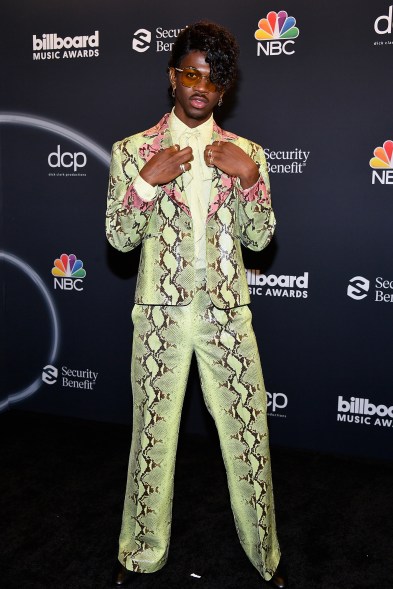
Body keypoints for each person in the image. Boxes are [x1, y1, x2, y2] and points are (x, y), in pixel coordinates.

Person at [106, 20, 287, 588]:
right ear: (172, 77)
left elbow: (261, 239)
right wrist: (143, 183)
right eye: (190, 73)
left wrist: (252, 179)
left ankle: (266, 558)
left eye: (213, 78)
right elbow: (118, 237)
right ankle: (139, 553)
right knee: (152, 438)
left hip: (227, 319)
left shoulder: (247, 153)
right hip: (159, 318)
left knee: (250, 434)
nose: (200, 86)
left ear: (224, 87)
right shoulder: (133, 151)